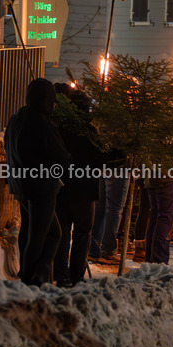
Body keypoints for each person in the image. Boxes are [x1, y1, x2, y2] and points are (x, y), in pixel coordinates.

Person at [4, 78, 70, 286]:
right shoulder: (42, 123)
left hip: (22, 186)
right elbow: (60, 157)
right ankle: (30, 279)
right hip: (41, 187)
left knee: (45, 233)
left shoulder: (17, 118)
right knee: (41, 236)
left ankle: (36, 273)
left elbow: (8, 147)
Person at [51, 84, 109, 285]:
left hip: (63, 188)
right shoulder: (88, 132)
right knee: (82, 232)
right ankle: (76, 274)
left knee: (63, 232)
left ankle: (61, 274)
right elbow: (99, 159)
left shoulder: (59, 129)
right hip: (84, 191)